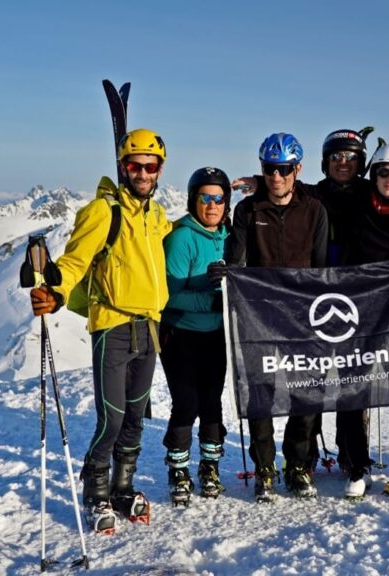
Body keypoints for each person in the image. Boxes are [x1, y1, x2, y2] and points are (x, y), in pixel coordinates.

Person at [30, 128, 171, 534]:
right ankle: (95, 491)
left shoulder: (156, 214)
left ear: (160, 170)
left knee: (136, 418)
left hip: (149, 328)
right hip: (113, 326)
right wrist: (55, 293)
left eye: (151, 165)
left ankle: (122, 486)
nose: (143, 172)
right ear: (123, 168)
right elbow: (75, 261)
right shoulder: (103, 212)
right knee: (112, 418)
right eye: (135, 165)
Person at [225, 132, 329, 502]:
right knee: (262, 396)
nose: (276, 176)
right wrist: (228, 270)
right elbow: (237, 258)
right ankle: (265, 468)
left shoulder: (314, 209)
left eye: (284, 169)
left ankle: (298, 466)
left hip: (303, 318)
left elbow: (320, 266)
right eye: (270, 168)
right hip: (260, 315)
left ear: (297, 169)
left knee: (306, 396)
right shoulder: (248, 210)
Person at [333, 142, 389, 500]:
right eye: (382, 172)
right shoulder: (357, 205)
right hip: (358, 313)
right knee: (354, 389)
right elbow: (312, 191)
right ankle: (356, 465)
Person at [159, 167, 231, 506]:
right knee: (187, 403)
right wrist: (211, 297)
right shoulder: (181, 238)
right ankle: (178, 470)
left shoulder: (228, 237)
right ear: (193, 200)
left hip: (215, 334)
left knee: (212, 402)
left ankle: (210, 467)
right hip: (180, 334)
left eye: (219, 198)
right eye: (206, 198)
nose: (213, 204)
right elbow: (166, 295)